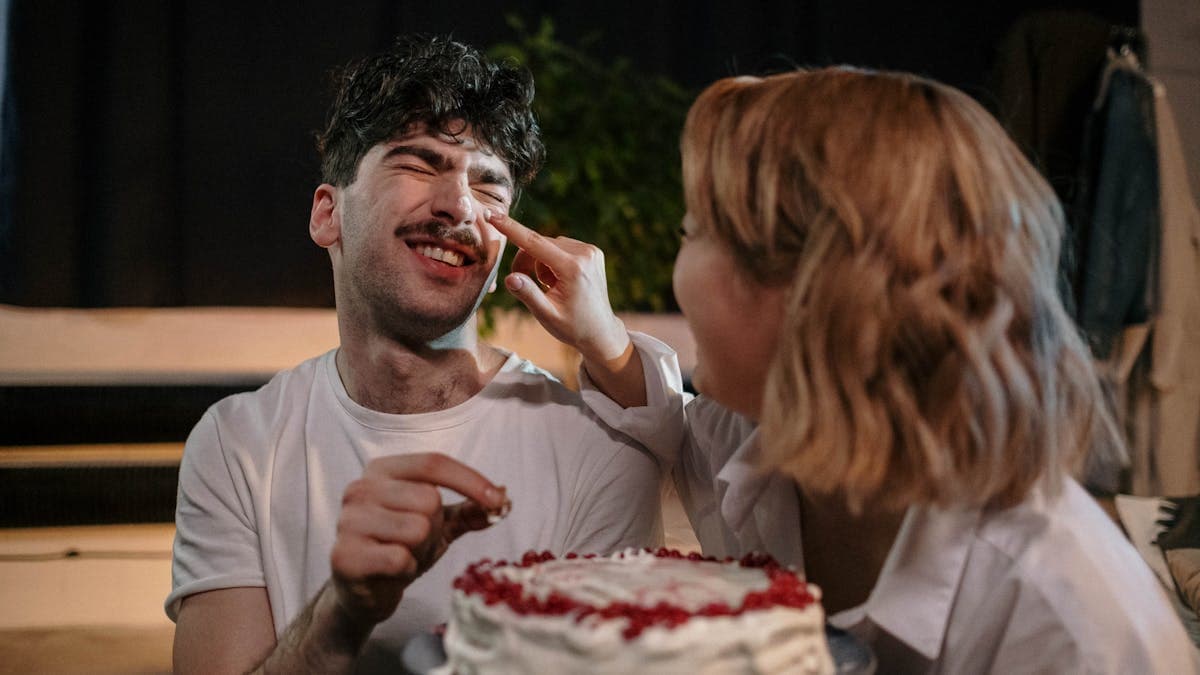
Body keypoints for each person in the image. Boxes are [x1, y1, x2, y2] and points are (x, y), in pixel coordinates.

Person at [495, 67, 1198, 671]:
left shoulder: (1073, 625)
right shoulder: (783, 455)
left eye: (693, 231)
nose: (678, 267)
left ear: (815, 290)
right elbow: (682, 430)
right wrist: (603, 336)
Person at [166, 35, 663, 674]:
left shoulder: (598, 448)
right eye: (418, 164)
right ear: (328, 214)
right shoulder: (237, 444)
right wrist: (344, 611)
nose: (458, 205)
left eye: (490, 189)